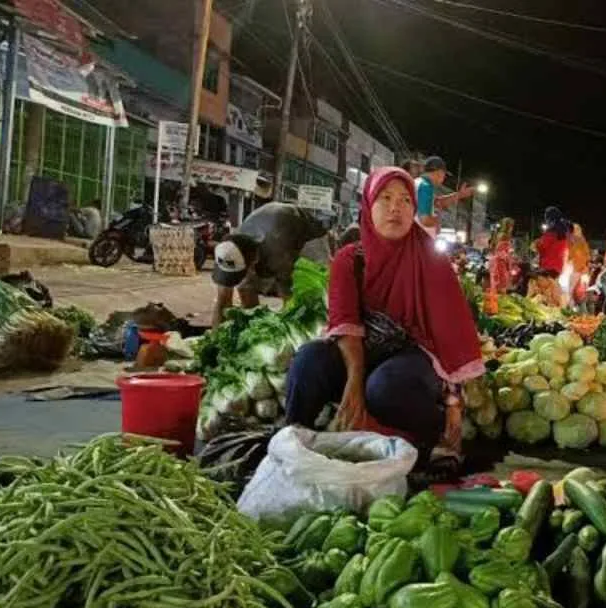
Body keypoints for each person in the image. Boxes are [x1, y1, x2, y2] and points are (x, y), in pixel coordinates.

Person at [284, 166, 484, 473]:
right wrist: (353, 382)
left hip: (411, 356)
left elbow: (450, 335)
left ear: (414, 209)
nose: (395, 208)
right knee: (308, 360)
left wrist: (454, 410)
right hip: (361, 350)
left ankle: (429, 435)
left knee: (384, 388)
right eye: (385, 198)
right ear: (368, 204)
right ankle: (291, 443)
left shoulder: (431, 259)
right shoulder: (350, 259)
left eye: (406, 200)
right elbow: (346, 324)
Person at [211, 202, 327, 327]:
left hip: (310, 238)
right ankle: (254, 326)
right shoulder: (228, 250)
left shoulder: (277, 251)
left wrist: (288, 331)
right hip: (268, 230)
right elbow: (223, 299)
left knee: (306, 298)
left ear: (254, 261)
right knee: (245, 286)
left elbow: (288, 296)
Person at [414, 156, 473, 239]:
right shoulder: (426, 186)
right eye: (444, 175)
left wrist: (460, 195)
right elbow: (425, 220)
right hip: (421, 238)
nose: (443, 179)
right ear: (440, 173)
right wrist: (437, 220)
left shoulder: (418, 182)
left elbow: (438, 202)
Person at [530, 206, 570, 306]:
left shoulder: (551, 232)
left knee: (544, 293)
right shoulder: (563, 233)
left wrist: (536, 243)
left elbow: (543, 246)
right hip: (557, 267)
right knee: (552, 293)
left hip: (547, 265)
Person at [489, 217, 515, 293]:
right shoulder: (505, 236)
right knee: (502, 284)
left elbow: (493, 248)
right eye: (511, 226)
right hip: (501, 262)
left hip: (496, 262)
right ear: (508, 226)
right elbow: (502, 251)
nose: (512, 228)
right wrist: (509, 257)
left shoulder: (498, 235)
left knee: (496, 284)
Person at [566, 223, 590, 303]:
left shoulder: (579, 241)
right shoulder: (578, 241)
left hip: (577, 269)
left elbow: (585, 256)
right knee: (573, 291)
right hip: (578, 269)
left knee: (571, 290)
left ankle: (571, 306)